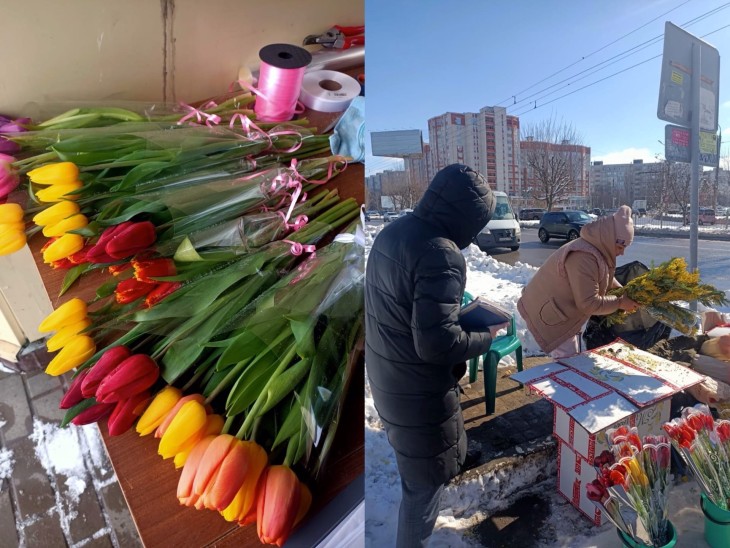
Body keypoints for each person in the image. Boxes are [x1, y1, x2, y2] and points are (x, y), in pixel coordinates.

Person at [365, 164, 507, 547]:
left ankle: (452, 461)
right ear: (466, 218)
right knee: (422, 490)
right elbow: (436, 345)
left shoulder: (394, 232)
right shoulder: (440, 253)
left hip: (389, 374)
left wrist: (454, 319)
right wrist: (485, 335)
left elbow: (406, 315)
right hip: (417, 395)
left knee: (419, 468)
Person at [517, 205, 640, 358]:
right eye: (620, 246)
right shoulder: (584, 257)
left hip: (558, 308)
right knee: (567, 363)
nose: (622, 252)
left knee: (570, 361)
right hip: (550, 314)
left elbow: (601, 273)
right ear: (609, 239)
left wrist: (618, 288)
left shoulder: (596, 247)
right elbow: (589, 303)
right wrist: (620, 302)